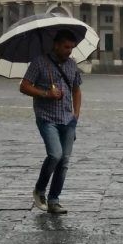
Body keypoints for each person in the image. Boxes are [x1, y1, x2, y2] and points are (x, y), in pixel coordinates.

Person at [20, 30, 82, 215]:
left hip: (67, 119)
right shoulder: (39, 62)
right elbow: (24, 86)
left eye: (71, 47)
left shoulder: (72, 65)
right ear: (56, 45)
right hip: (47, 118)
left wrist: (76, 115)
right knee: (55, 155)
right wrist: (46, 93)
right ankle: (40, 189)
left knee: (64, 161)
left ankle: (54, 200)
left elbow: (77, 90)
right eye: (66, 47)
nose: (69, 51)